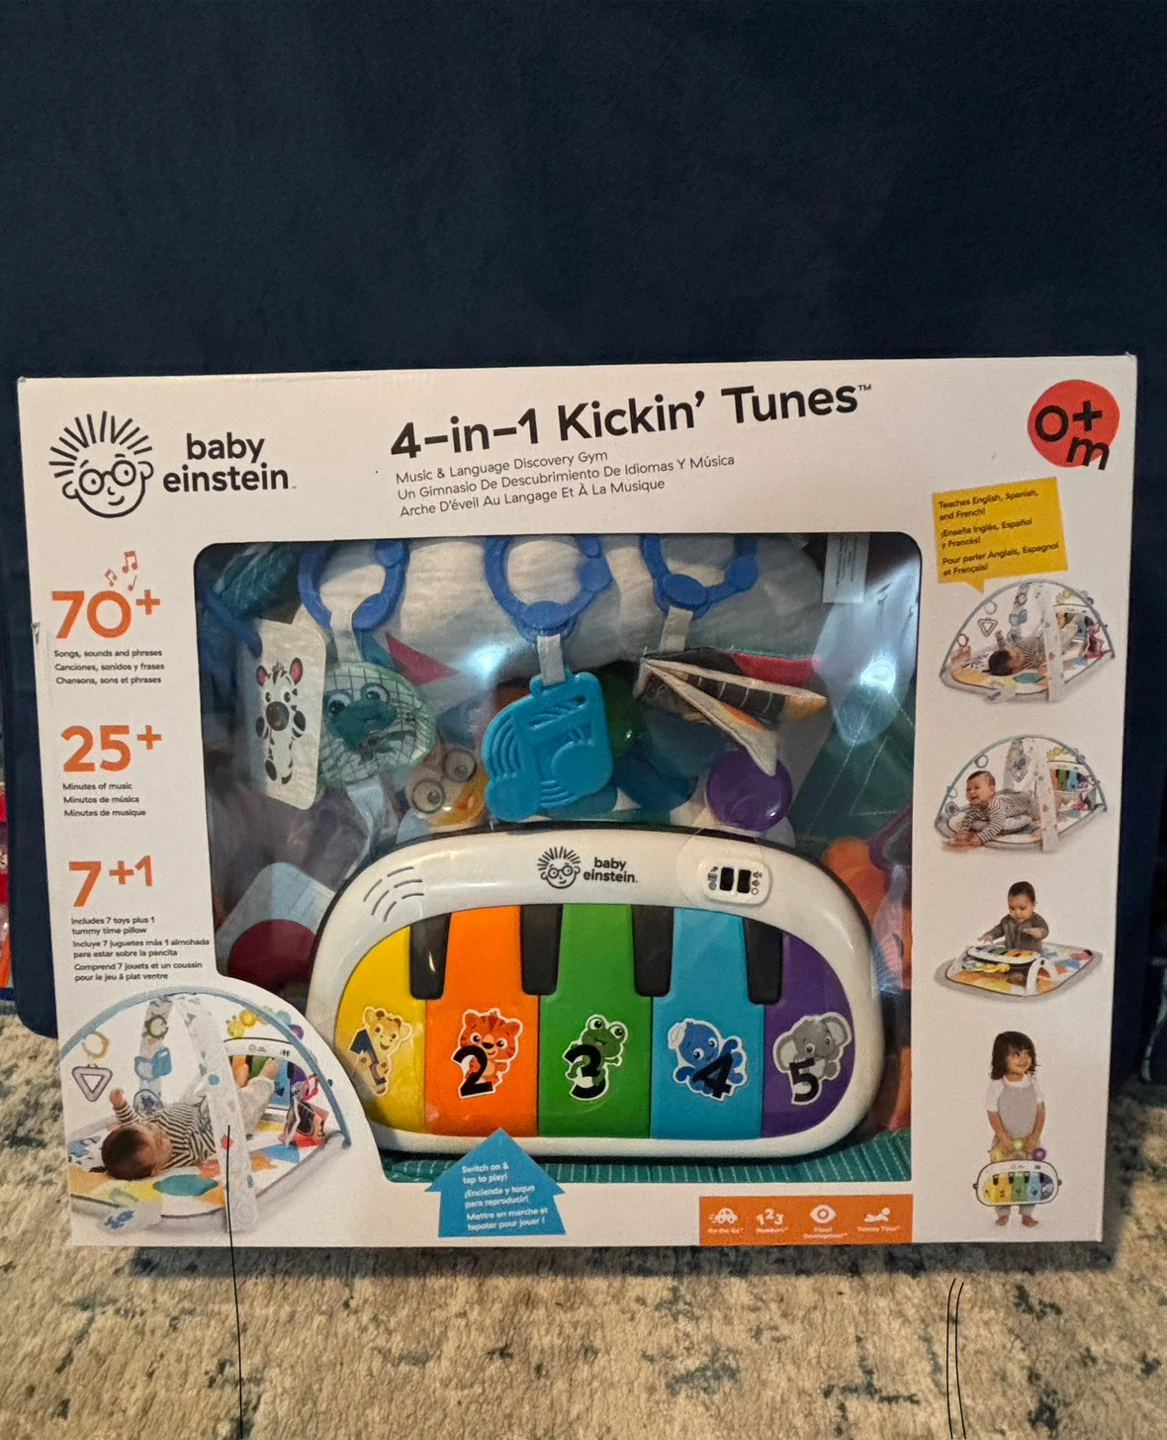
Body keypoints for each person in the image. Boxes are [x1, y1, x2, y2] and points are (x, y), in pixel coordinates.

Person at [100, 1059, 279, 1180]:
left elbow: (130, 1121)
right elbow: (212, 1142)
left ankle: (236, 1084)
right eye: (160, 1143)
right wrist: (227, 1120)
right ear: (157, 1170)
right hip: (217, 1121)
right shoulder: (183, 1153)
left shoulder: (142, 1131)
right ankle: (265, 1078)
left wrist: (120, 1105)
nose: (159, 1131)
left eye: (149, 1127)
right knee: (244, 1107)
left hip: (195, 1104)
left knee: (206, 1087)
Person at [985, 1031, 1045, 1228]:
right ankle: (1003, 1212)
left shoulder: (1033, 1083)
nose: (1023, 1059)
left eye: (1027, 1053)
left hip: (1030, 1141)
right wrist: (1003, 1137)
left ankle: (1027, 1213)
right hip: (1005, 1142)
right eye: (1016, 1054)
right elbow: (992, 1113)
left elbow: (1040, 1110)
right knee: (1003, 1176)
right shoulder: (997, 1086)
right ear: (1001, 1058)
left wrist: (1035, 1136)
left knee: (1030, 1176)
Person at [950, 770, 1039, 847]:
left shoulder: (995, 806)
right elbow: (968, 818)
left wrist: (981, 838)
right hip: (1005, 798)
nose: (971, 792)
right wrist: (963, 832)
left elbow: (997, 824)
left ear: (991, 790)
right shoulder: (975, 806)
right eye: (968, 789)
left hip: (1022, 802)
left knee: (1034, 806)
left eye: (977, 788)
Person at [980, 881, 1049, 951]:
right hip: (1011, 953)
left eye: (1022, 908)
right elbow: (998, 930)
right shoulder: (1007, 921)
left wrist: (1039, 932)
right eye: (1012, 908)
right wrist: (990, 935)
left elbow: (1045, 929)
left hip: (1032, 953)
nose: (1017, 913)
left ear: (1033, 906)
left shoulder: (1036, 920)